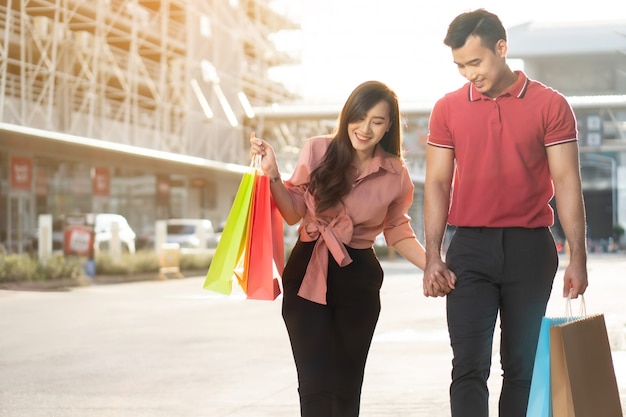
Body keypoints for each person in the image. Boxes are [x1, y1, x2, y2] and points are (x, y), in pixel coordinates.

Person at [250, 80, 455, 417]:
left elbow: (398, 230)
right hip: (307, 269)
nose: (365, 128)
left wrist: (433, 264)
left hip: (357, 275)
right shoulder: (317, 150)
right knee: (315, 386)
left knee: (347, 387)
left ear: (389, 126)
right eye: (359, 118)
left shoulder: (396, 173)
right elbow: (291, 213)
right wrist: (273, 175)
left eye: (377, 121)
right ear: (347, 117)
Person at [423, 9, 588, 417]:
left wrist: (578, 257)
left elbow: (567, 181)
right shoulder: (447, 109)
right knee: (468, 367)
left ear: (502, 47)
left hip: (530, 249)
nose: (468, 74)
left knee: (522, 369)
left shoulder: (551, 105)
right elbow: (438, 184)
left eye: (475, 63)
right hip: (470, 249)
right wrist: (432, 256)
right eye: (460, 65)